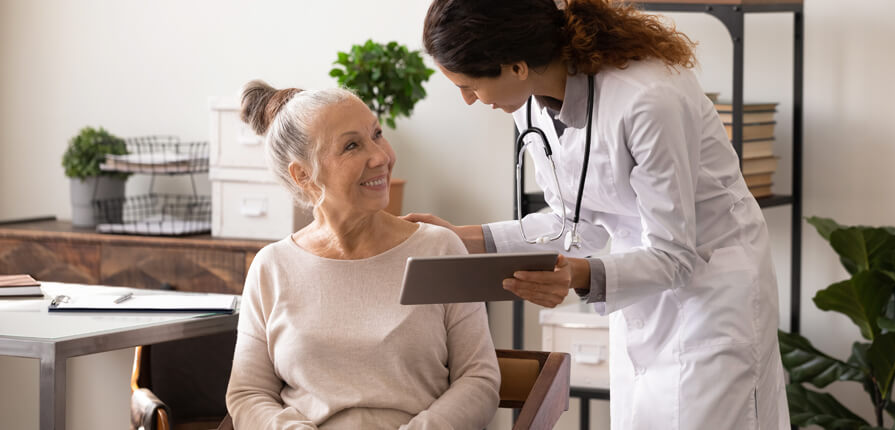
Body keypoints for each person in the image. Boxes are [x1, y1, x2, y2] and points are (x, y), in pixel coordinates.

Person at [410, 0, 790, 428]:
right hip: (641, 281)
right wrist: (458, 237)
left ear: (516, 66)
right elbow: (574, 225)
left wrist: (576, 275)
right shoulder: (530, 105)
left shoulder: (649, 99)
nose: (467, 100)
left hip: (714, 287)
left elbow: (676, 255)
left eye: (468, 85)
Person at [225, 80, 500, 429]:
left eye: (377, 134)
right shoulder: (272, 266)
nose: (381, 156)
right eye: (352, 146)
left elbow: (479, 379)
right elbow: (248, 394)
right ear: (304, 175)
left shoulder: (439, 249)